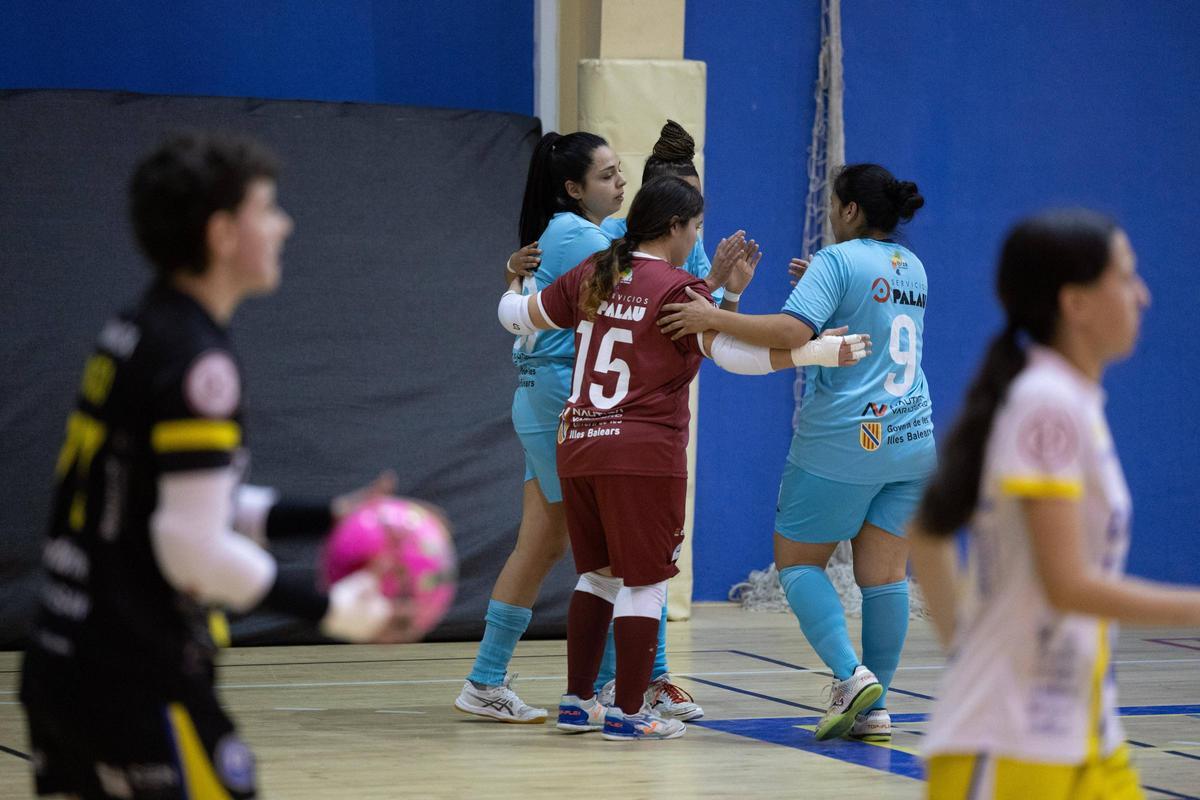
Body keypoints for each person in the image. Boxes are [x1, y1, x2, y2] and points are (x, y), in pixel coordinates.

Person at [19, 132, 411, 800]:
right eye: (267, 210)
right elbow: (191, 546)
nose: (283, 225)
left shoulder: (135, 326)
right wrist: (330, 610)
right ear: (223, 233)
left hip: (62, 658)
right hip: (135, 677)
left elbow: (180, 502)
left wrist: (327, 516)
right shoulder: (199, 362)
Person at [496, 174, 869, 740]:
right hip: (642, 453)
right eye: (694, 226)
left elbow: (515, 316)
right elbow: (737, 356)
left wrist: (512, 278)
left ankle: (577, 702)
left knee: (596, 577)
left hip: (577, 445)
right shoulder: (675, 289)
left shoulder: (594, 272)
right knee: (644, 584)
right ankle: (627, 713)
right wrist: (819, 351)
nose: (697, 236)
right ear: (674, 227)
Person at [455, 129, 747, 723]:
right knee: (627, 552)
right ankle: (635, 686)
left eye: (623, 174)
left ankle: (508, 680)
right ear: (573, 187)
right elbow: (657, 284)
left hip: (567, 400)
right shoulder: (585, 238)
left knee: (552, 545)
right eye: (610, 174)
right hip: (575, 399)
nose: (621, 184)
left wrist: (511, 278)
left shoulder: (587, 238)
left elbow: (653, 281)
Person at [909, 209, 1189, 799]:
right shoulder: (1047, 403)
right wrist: (973, 651)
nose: (1142, 295)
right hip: (1011, 747)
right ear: (1076, 303)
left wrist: (969, 645)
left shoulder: (1064, 398)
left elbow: (927, 527)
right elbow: (1067, 585)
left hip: (1086, 738)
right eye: (1125, 277)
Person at [658, 163, 933, 742]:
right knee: (885, 578)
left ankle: (850, 676)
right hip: (912, 440)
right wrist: (826, 289)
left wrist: (713, 315)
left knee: (798, 563)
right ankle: (877, 705)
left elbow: (790, 333)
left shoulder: (837, 260)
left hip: (845, 440)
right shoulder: (912, 266)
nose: (831, 214)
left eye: (835, 205)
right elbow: (871, 320)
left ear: (851, 210)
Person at [590, 119, 757, 720]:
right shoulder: (607, 244)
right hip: (611, 415)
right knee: (614, 566)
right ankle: (605, 687)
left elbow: (702, 328)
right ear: (666, 218)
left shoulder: (680, 252)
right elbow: (673, 313)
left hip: (639, 413)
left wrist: (725, 294)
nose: (697, 231)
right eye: (692, 222)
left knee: (639, 562)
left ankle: (633, 681)